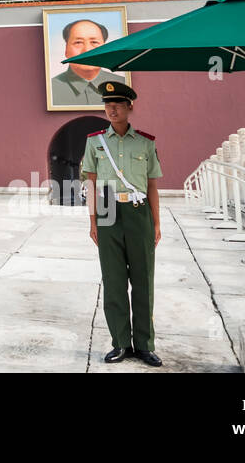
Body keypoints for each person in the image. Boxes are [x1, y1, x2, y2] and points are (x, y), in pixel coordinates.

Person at [80, 80, 163, 367]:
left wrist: (156, 222)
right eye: (107, 104)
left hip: (139, 211)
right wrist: (93, 221)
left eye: (117, 104)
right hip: (107, 211)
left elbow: (152, 186)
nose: (111, 109)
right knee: (114, 281)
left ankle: (144, 345)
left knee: (143, 281)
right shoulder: (94, 141)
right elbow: (90, 184)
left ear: (130, 106)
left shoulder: (146, 142)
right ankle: (120, 343)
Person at [50, 19, 126, 106]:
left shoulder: (122, 85)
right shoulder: (50, 89)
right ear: (66, 50)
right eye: (78, 42)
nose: (87, 50)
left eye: (94, 42)